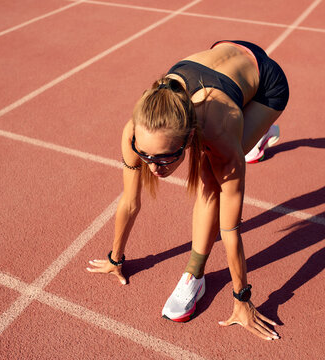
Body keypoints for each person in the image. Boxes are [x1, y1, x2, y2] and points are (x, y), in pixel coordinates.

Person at [86, 40, 289, 341]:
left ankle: (194, 274)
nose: (154, 167)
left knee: (210, 176)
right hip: (225, 54)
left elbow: (230, 229)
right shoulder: (135, 132)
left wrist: (242, 299)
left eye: (166, 157)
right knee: (217, 155)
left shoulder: (216, 130)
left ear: (190, 137)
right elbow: (130, 201)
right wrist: (116, 258)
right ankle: (251, 134)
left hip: (266, 84)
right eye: (146, 156)